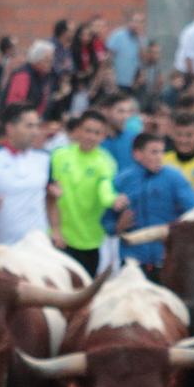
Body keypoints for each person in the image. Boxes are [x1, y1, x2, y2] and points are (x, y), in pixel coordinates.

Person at [48, 110, 125, 274]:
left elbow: (105, 191)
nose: (91, 137)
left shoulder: (106, 162)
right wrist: (55, 229)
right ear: (78, 131)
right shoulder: (59, 155)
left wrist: (113, 200)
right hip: (59, 237)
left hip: (90, 241)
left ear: (103, 136)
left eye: (97, 133)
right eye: (87, 130)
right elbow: (49, 195)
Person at [114, 131, 194, 273]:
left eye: (161, 152)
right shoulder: (122, 180)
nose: (160, 157)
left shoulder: (175, 178)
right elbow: (106, 221)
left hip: (167, 259)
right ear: (137, 154)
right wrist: (117, 226)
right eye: (154, 152)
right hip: (132, 262)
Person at [0, 104, 55, 249]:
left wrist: (56, 230)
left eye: (37, 126)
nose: (35, 132)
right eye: (29, 126)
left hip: (37, 245)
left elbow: (51, 199)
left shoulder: (45, 158)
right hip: (1, 247)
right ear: (10, 128)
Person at [2, 40, 55, 113]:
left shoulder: (43, 75)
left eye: (51, 60)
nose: (50, 64)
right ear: (36, 60)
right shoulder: (23, 75)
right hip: (18, 118)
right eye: (47, 61)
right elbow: (14, 105)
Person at [104, 9, 146, 93]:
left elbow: (142, 61)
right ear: (129, 22)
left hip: (134, 84)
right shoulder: (118, 35)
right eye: (135, 21)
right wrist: (110, 79)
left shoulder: (141, 40)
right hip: (118, 84)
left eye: (141, 22)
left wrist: (140, 42)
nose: (137, 25)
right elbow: (108, 59)